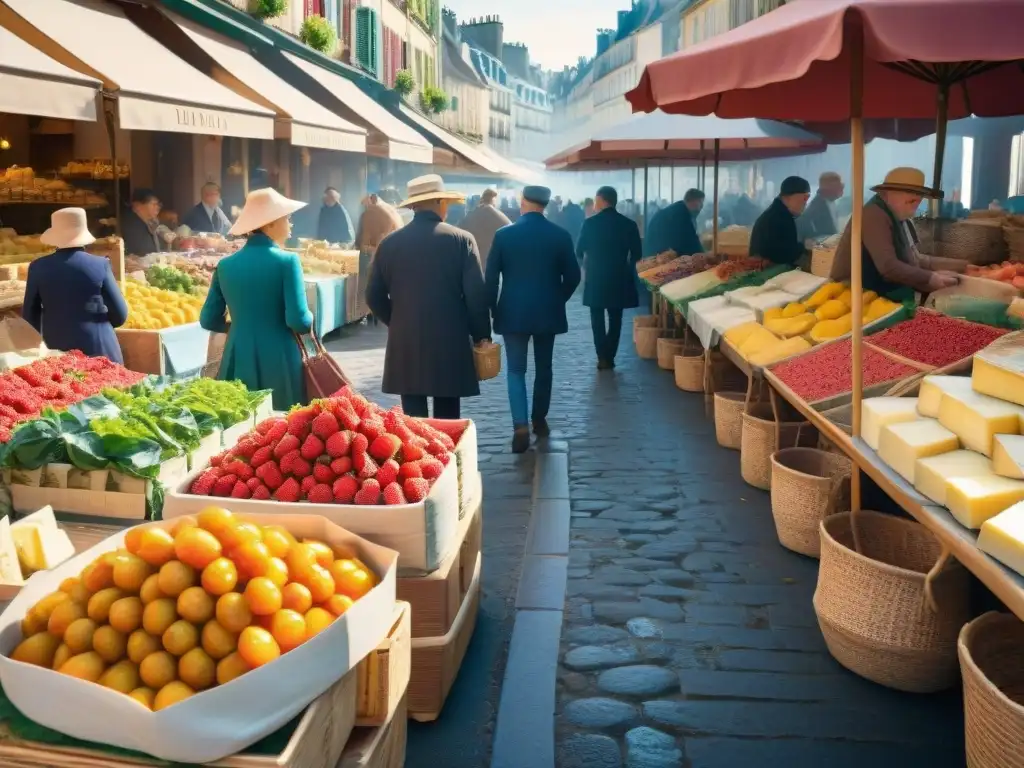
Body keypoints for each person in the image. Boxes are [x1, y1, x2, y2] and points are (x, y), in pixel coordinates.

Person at [366, 175, 491, 419]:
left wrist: (398, 319)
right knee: (447, 416)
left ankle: (420, 457)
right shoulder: (461, 240)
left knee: (414, 420)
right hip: (450, 336)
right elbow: (476, 296)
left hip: (406, 339)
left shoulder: (389, 244)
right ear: (439, 203)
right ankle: (448, 455)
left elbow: (373, 295)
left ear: (413, 206)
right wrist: (481, 336)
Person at [486, 186, 581, 453]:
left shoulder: (504, 235)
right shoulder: (560, 236)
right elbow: (573, 276)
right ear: (546, 205)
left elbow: (491, 278)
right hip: (546, 312)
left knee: (515, 370)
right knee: (544, 366)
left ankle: (520, 427)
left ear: (523, 202)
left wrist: (493, 308)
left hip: (513, 311)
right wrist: (556, 299)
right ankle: (539, 418)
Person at [200, 188, 313, 411]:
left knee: (241, 428)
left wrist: (240, 325)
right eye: (287, 218)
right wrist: (311, 316)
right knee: (281, 430)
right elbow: (298, 320)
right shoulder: (287, 261)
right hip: (279, 357)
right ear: (269, 223)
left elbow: (207, 320)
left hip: (238, 354)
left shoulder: (225, 265)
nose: (291, 224)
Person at [831, 167, 963, 301]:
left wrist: (964, 267)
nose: (917, 198)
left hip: (880, 296)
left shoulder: (902, 219)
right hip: (852, 297)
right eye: (909, 192)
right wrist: (930, 278)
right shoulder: (873, 215)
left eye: (919, 194)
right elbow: (889, 267)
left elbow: (917, 259)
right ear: (886, 193)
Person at [23, 208, 128, 363]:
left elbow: (29, 317)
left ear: (55, 238)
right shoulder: (100, 265)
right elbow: (120, 315)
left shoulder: (37, 267)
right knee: (108, 387)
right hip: (100, 349)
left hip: (56, 351)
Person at [576, 186, 642, 370]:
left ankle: (602, 357)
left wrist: (585, 266)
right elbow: (637, 254)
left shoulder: (590, 224)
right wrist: (627, 270)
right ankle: (610, 356)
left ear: (601, 200)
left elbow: (579, 250)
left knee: (596, 318)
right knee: (616, 318)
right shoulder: (629, 225)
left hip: (595, 278)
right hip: (619, 277)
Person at [355, 194, 404, 325]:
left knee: (367, 283)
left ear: (371, 201)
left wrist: (363, 247)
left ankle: (366, 313)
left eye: (365, 204)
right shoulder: (390, 211)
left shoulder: (370, 214)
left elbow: (365, 238)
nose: (364, 207)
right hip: (391, 253)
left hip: (373, 252)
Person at [749, 176, 811, 267]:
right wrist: (803, 246)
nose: (806, 203)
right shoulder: (778, 217)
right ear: (788, 197)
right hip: (767, 273)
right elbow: (783, 255)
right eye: (805, 198)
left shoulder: (779, 212)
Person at [644, 188, 705, 258]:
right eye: (700, 201)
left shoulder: (677, 209)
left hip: (651, 252)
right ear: (692, 201)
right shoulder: (681, 215)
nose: (702, 206)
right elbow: (691, 243)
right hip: (656, 256)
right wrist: (705, 257)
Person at [460, 189, 510, 272]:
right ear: (494, 200)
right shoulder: (502, 219)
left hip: (472, 266)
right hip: (493, 267)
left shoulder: (470, 217)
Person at [797, 172, 844, 241]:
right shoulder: (815, 209)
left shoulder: (831, 203)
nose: (841, 190)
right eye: (839, 186)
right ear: (828, 188)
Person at [121, 188, 162, 256]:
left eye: (158, 204)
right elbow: (142, 252)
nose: (157, 208)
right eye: (153, 204)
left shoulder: (149, 223)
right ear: (137, 205)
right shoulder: (132, 226)